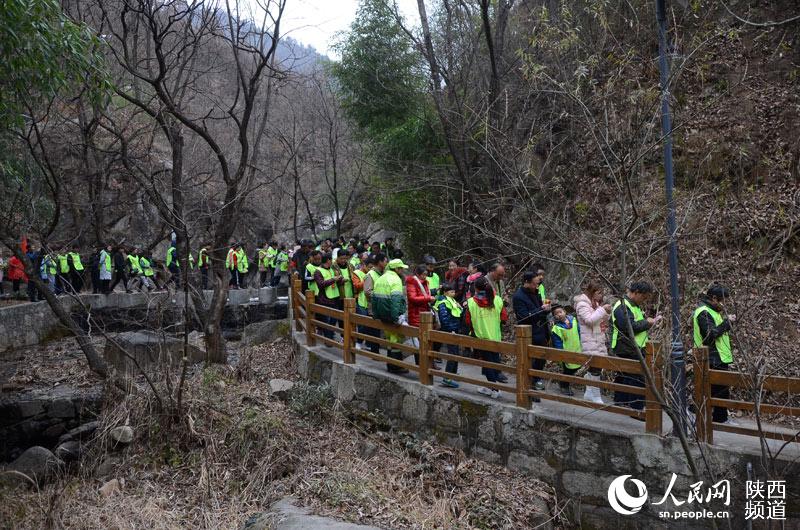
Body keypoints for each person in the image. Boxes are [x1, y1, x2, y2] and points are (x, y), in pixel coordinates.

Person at [611, 281, 661, 411]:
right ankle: (636, 409)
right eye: (643, 297)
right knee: (636, 379)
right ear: (636, 292)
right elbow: (628, 327)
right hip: (627, 348)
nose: (644, 301)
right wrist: (647, 323)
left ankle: (621, 402)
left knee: (625, 376)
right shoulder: (622, 306)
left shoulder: (632, 305)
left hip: (633, 347)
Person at [693, 285, 737, 425]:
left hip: (718, 356)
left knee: (720, 390)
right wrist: (726, 323)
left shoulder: (713, 311)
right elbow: (710, 335)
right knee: (712, 390)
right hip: (710, 357)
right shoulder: (704, 312)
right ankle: (694, 411)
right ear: (713, 298)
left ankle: (720, 418)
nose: (724, 304)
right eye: (722, 300)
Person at [465, 276, 507, 398]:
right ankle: (491, 386)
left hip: (481, 336)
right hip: (495, 336)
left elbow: (468, 321)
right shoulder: (497, 299)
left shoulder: (471, 302)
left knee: (488, 363)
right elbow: (504, 317)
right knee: (494, 361)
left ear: (476, 288)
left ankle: (494, 389)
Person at [513, 270, 551, 395]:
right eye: (534, 284)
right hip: (529, 334)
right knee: (530, 360)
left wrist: (546, 309)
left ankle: (536, 379)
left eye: (537, 284)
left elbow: (539, 310)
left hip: (542, 331)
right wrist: (541, 309)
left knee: (542, 357)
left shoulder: (536, 292)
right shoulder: (518, 296)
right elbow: (524, 317)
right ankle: (529, 388)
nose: (537, 286)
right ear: (526, 282)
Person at [573, 280, 612, 404]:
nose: (601, 296)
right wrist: (602, 310)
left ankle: (589, 393)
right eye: (599, 293)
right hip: (590, 340)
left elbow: (600, 320)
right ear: (592, 292)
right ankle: (596, 396)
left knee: (596, 368)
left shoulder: (594, 303)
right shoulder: (582, 304)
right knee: (595, 367)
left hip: (598, 339)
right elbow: (589, 320)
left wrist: (606, 313)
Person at [372, 258, 409, 374]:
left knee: (389, 339)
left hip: (382, 315)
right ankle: (395, 366)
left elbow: (374, 298)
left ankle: (390, 364)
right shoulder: (396, 280)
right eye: (401, 268)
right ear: (397, 269)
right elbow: (396, 300)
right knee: (396, 341)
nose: (403, 270)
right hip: (391, 315)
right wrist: (395, 317)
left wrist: (376, 314)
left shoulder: (380, 279)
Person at [434, 283, 464, 388]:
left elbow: (458, 312)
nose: (454, 293)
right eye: (451, 292)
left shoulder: (452, 301)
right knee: (452, 353)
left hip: (455, 328)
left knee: (455, 351)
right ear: (446, 292)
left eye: (454, 291)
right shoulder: (443, 302)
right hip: (450, 330)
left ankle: (452, 374)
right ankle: (447, 378)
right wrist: (450, 330)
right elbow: (444, 318)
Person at [406, 264, 436, 366]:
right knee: (417, 341)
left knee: (425, 340)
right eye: (423, 274)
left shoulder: (425, 282)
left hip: (424, 314)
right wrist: (428, 298)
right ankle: (421, 365)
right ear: (418, 274)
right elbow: (412, 298)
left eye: (426, 274)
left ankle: (427, 364)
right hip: (415, 314)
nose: (425, 276)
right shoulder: (411, 282)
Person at [550, 304, 583, 396]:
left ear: (565, 312)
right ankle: (564, 385)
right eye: (556, 314)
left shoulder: (574, 320)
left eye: (560, 312)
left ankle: (564, 383)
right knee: (568, 370)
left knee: (576, 367)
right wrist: (561, 355)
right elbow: (558, 343)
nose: (559, 315)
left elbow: (579, 332)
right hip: (566, 353)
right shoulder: (556, 329)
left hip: (576, 350)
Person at [361, 253, 387, 354]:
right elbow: (367, 291)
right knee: (374, 332)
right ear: (380, 262)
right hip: (374, 308)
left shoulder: (383, 273)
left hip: (382, 307)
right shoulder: (370, 275)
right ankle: (375, 353)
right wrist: (380, 297)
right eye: (385, 261)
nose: (386, 263)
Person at [313, 253, 343, 339]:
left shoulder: (332, 270)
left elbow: (337, 282)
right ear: (328, 260)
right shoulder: (318, 271)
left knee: (334, 319)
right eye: (331, 260)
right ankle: (328, 339)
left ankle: (330, 335)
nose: (333, 262)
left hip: (335, 298)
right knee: (326, 320)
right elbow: (321, 284)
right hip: (325, 299)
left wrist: (340, 279)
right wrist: (333, 279)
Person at [351, 257, 373, 350]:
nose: (370, 269)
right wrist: (366, 280)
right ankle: (359, 342)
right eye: (369, 267)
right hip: (361, 300)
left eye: (372, 267)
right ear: (364, 265)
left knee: (370, 323)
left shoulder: (372, 273)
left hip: (371, 302)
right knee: (362, 323)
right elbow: (356, 285)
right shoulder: (357, 273)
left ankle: (368, 342)